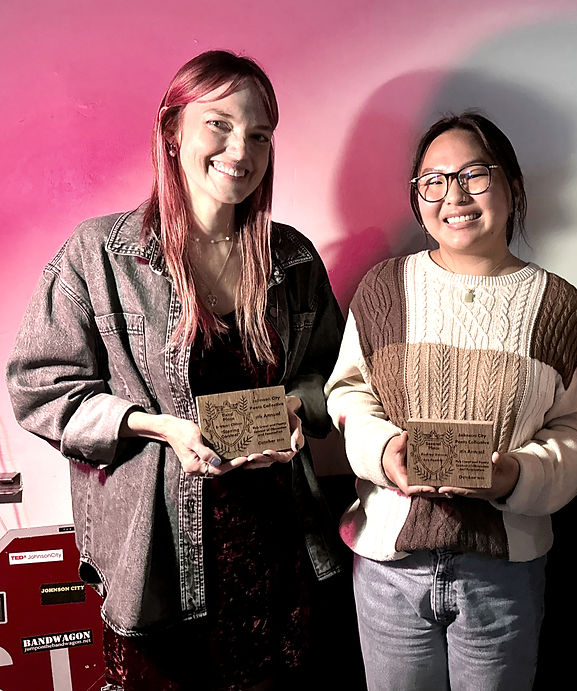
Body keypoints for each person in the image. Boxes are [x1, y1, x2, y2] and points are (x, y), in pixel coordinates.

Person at [6, 50, 345, 690]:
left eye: (259, 133)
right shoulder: (99, 255)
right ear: (172, 131)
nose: (240, 148)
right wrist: (159, 427)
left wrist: (297, 412)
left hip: (280, 550)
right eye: (219, 123)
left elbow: (332, 378)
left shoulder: (294, 257)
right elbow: (40, 389)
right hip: (157, 562)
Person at [325, 111, 577, 690]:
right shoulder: (384, 289)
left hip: (503, 570)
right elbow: (348, 390)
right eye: (434, 180)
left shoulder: (559, 307)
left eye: (475, 175)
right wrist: (384, 452)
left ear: (512, 186)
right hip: (388, 563)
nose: (454, 195)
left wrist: (516, 476)